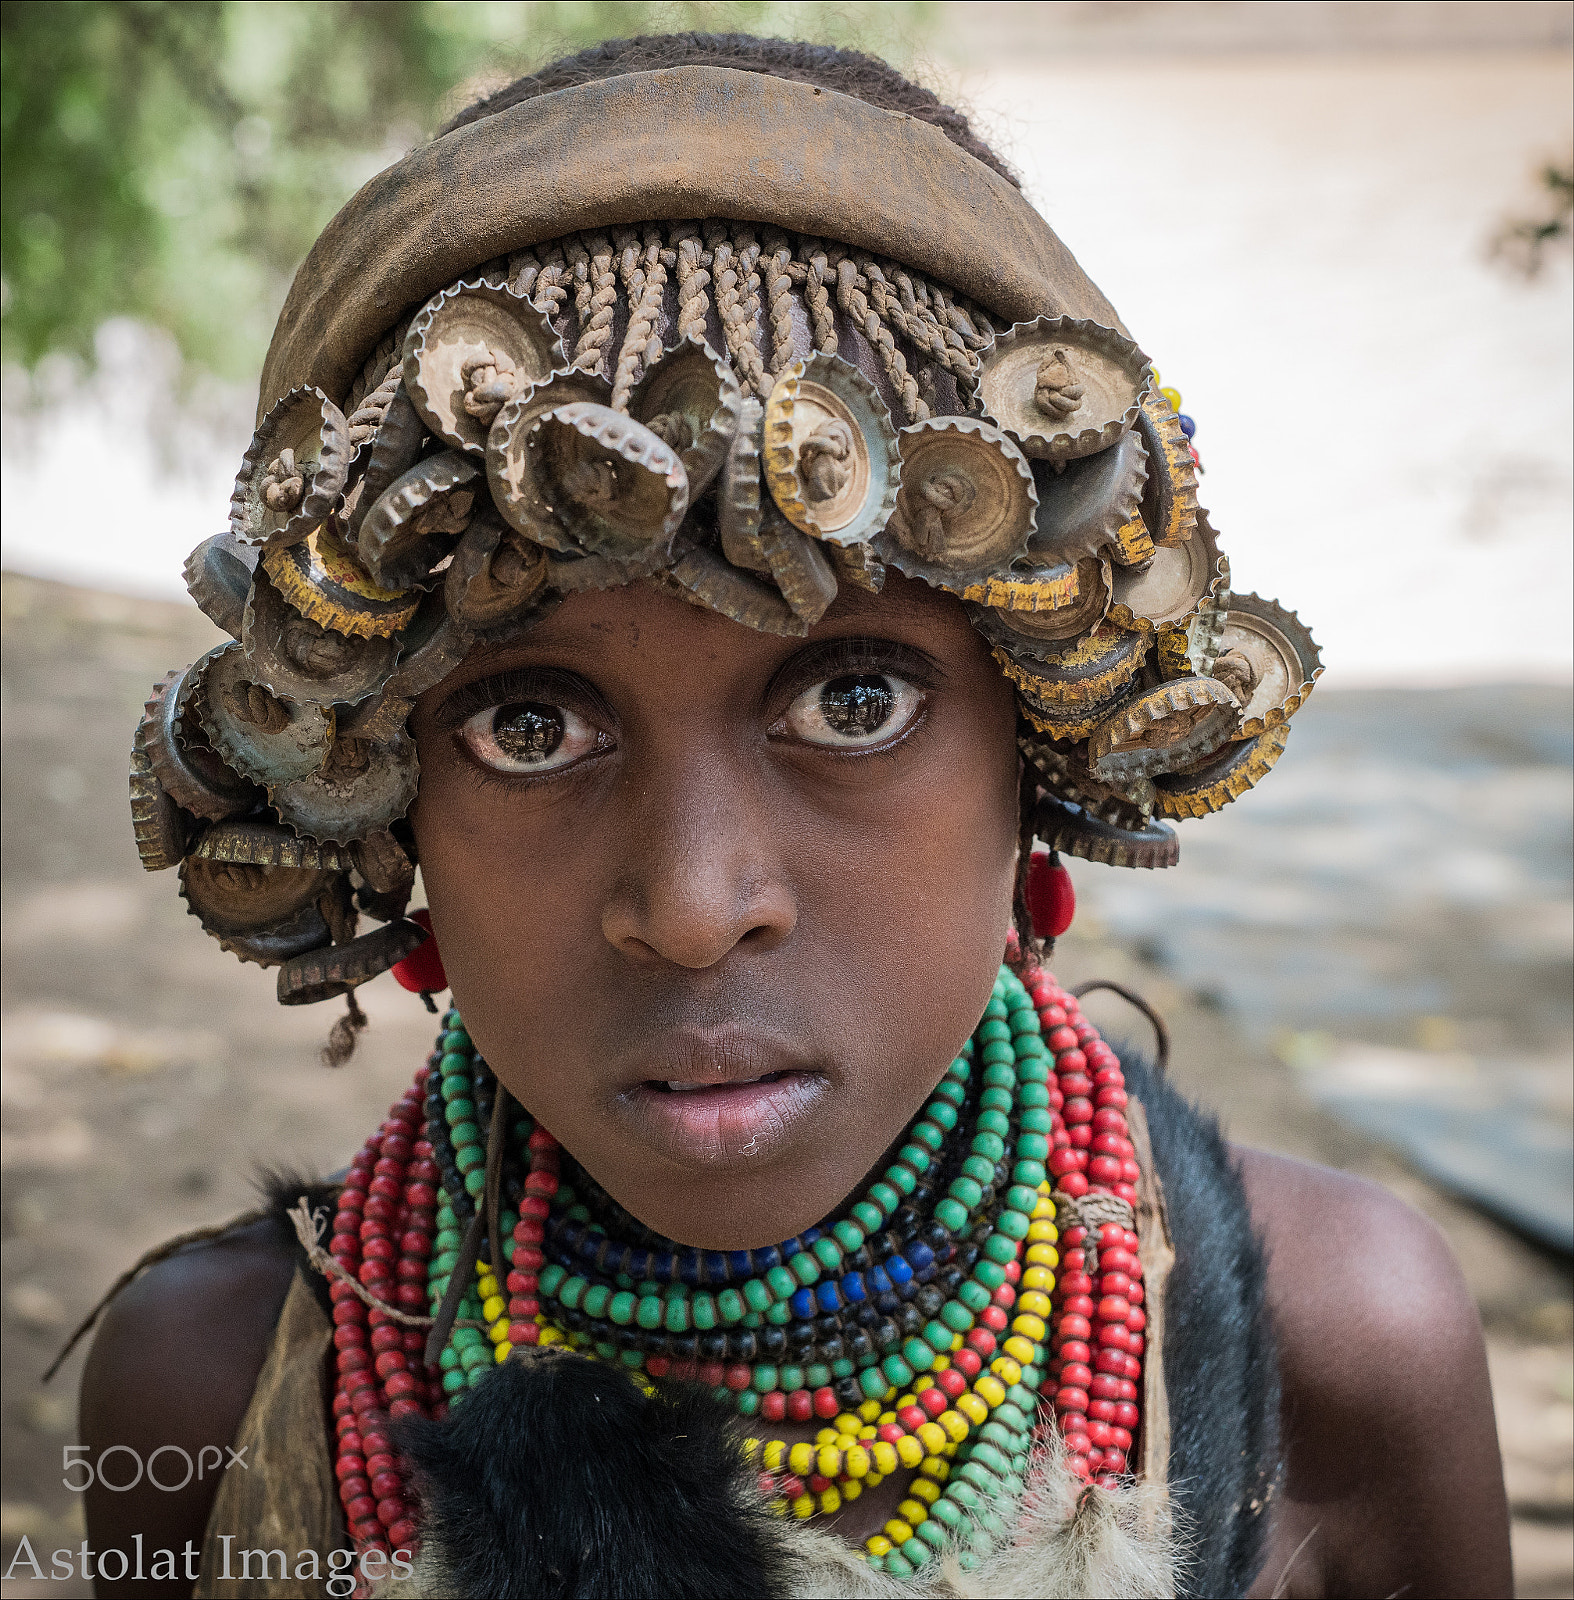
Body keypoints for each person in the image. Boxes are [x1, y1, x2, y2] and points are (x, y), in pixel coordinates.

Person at [70, 33, 1511, 1600]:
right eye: (529, 724)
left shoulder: (1339, 1350)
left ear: (1042, 760)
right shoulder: (211, 1401)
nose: (693, 905)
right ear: (381, 803)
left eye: (853, 702)